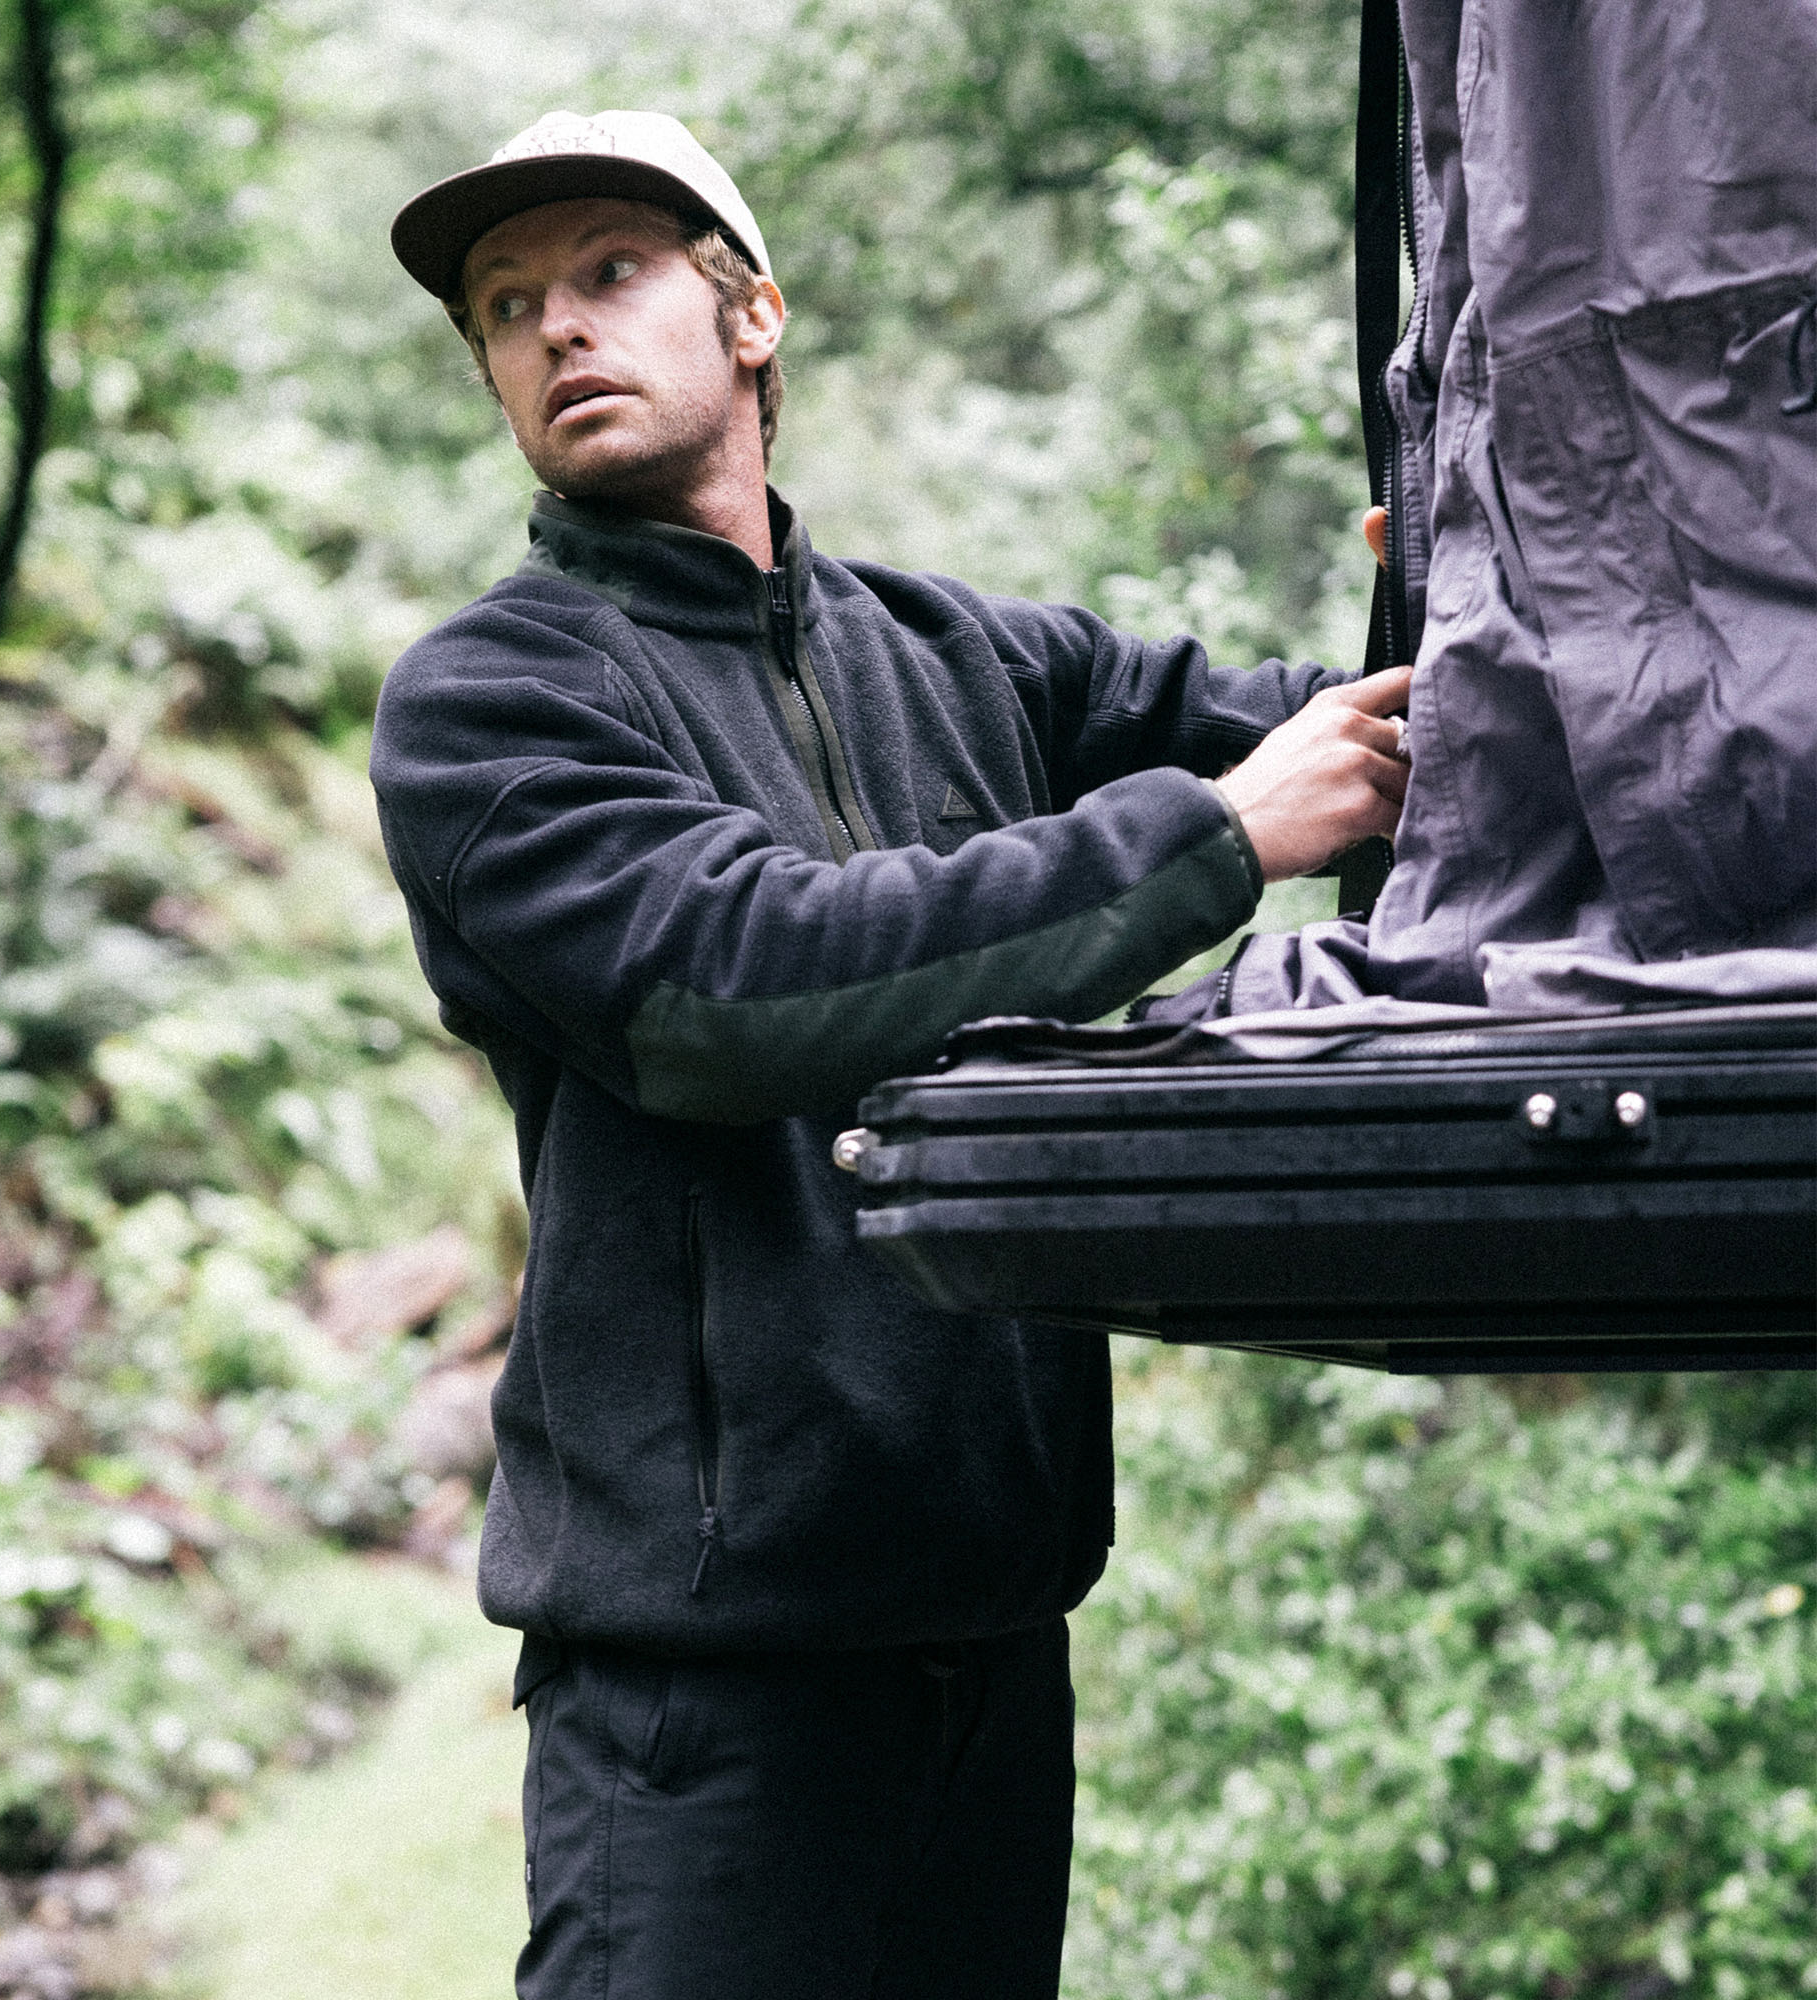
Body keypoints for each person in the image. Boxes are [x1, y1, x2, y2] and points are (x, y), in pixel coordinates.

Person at [370, 108, 1410, 2000]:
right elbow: (732, 982)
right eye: (505, 309)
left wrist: (1443, 600)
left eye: (608, 271)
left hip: (998, 1658)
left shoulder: (962, 658)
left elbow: (1345, 738)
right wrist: (1221, 832)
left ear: (750, 312)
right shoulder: (489, 699)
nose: (554, 331)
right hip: (704, 1708)